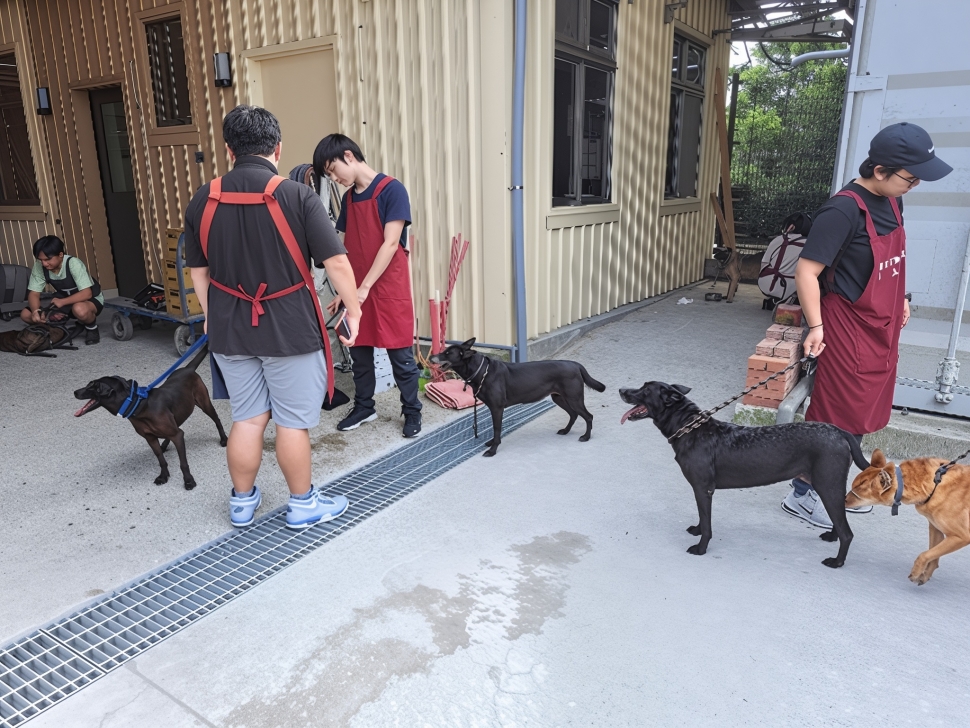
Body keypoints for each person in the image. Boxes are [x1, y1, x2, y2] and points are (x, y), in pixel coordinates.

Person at [184, 105, 362, 530]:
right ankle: (302, 505)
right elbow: (336, 263)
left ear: (229, 150)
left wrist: (212, 317)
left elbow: (199, 271)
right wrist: (354, 311)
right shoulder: (296, 195)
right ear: (277, 148)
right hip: (289, 327)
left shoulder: (202, 198)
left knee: (247, 417)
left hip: (230, 327)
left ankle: (242, 504)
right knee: (291, 422)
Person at [785, 122, 953, 528]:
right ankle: (803, 494)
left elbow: (889, 259)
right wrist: (816, 327)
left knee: (859, 418)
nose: (913, 186)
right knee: (834, 418)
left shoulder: (893, 201)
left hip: (882, 325)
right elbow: (806, 272)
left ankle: (834, 489)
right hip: (846, 327)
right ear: (880, 171)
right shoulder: (842, 210)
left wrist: (904, 298)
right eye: (909, 178)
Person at [313, 134, 423, 438]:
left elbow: (390, 244)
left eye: (333, 170)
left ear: (349, 156)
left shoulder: (392, 189)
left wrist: (362, 289)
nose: (334, 179)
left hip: (388, 289)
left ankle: (412, 411)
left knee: (400, 357)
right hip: (358, 288)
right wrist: (343, 292)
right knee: (359, 353)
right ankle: (365, 406)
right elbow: (344, 248)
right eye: (329, 176)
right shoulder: (349, 199)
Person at [21, 235, 103, 344]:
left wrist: (62, 302)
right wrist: (35, 311)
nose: (44, 264)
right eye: (41, 260)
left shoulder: (73, 264)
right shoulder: (39, 266)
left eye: (48, 259)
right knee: (26, 314)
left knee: (79, 309)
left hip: (89, 299)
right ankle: (55, 329)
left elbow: (87, 293)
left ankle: (91, 328)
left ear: (60, 254)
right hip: (64, 300)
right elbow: (34, 293)